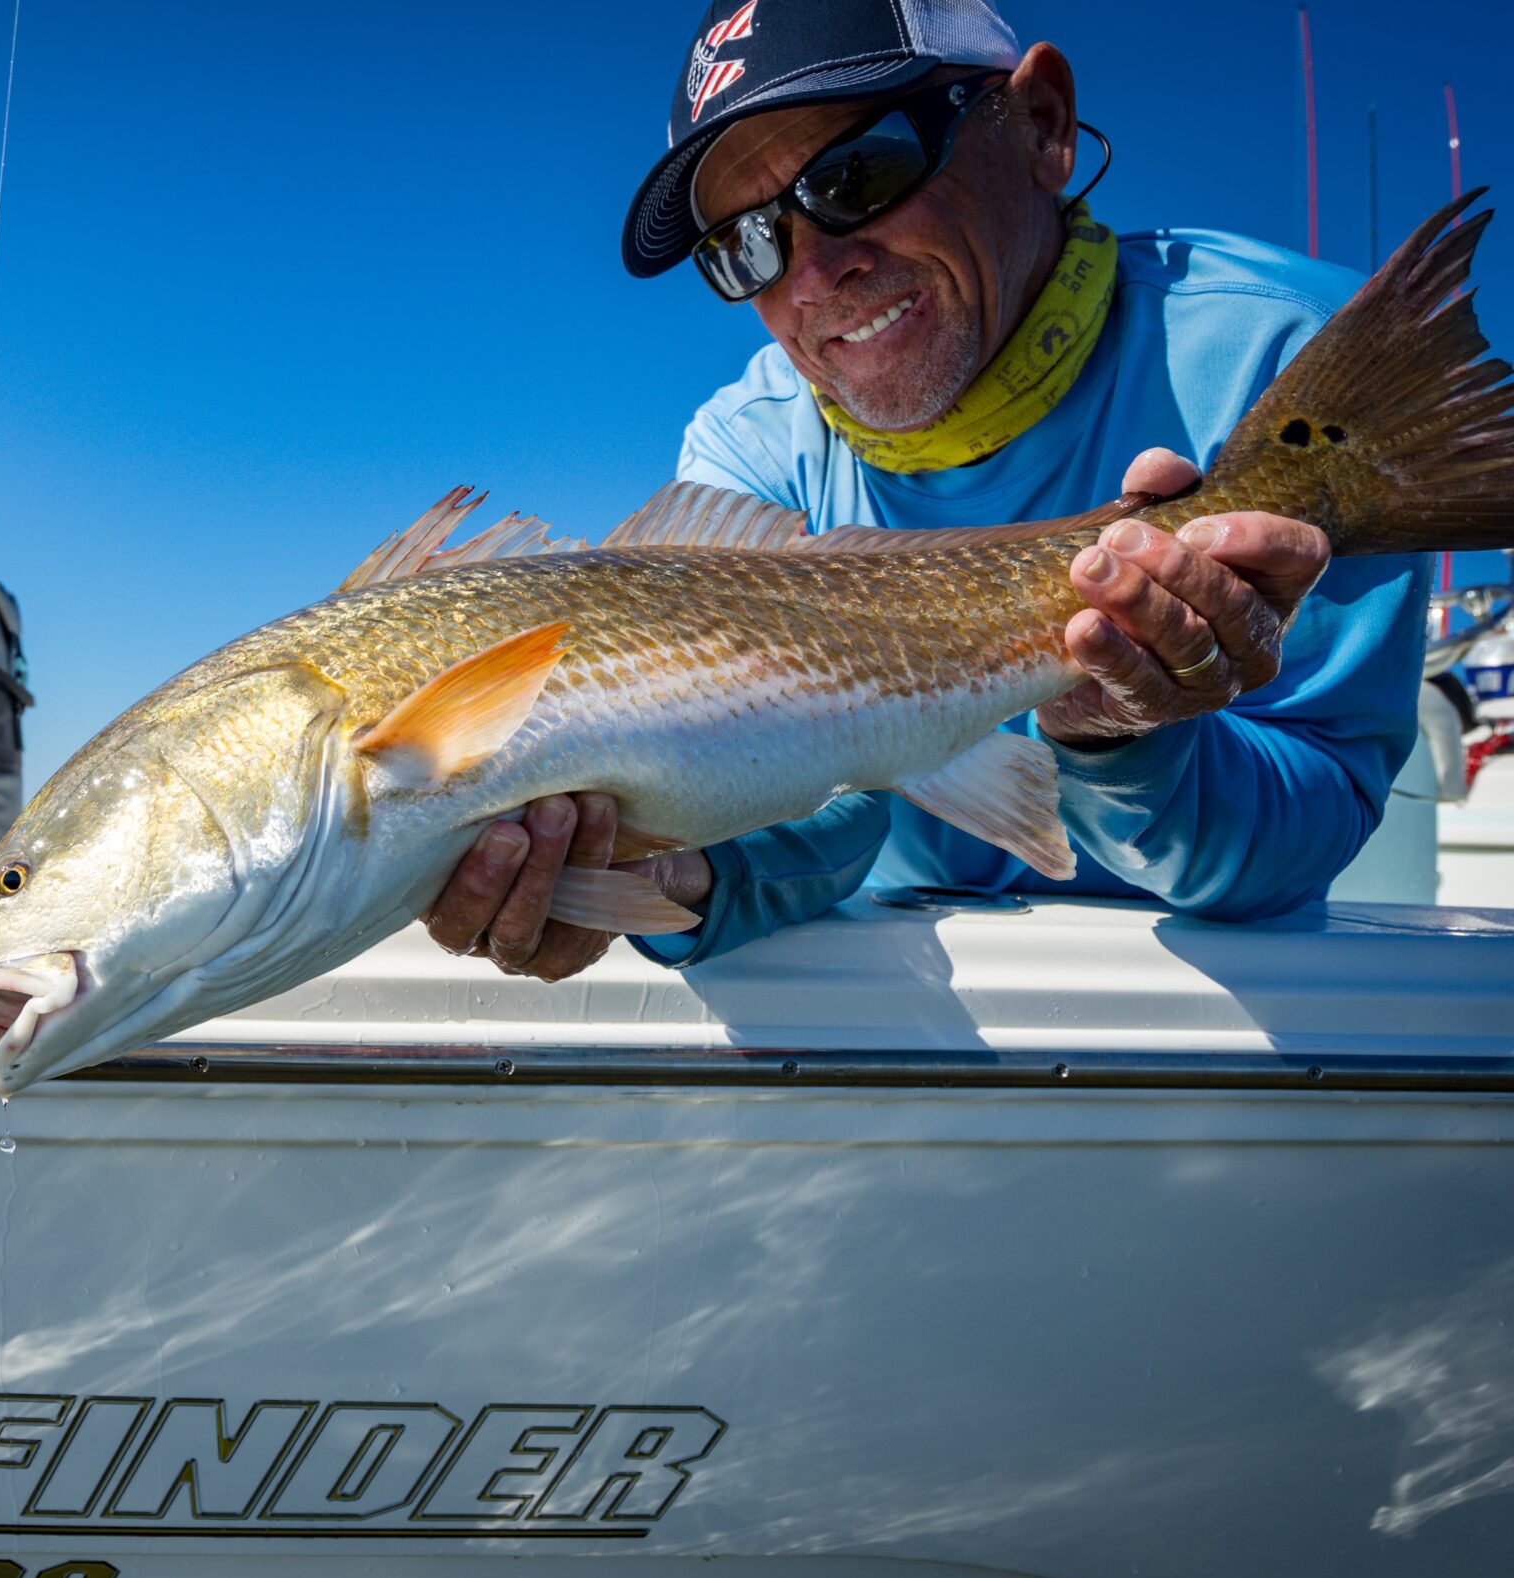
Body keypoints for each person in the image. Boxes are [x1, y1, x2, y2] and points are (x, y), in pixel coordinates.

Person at [423, 0, 1427, 978]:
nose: (813, 278)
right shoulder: (749, 445)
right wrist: (678, 875)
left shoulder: (1291, 364)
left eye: (856, 172)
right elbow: (825, 800)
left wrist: (1125, 741)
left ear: (1040, 124)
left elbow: (1308, 825)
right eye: (746, 246)